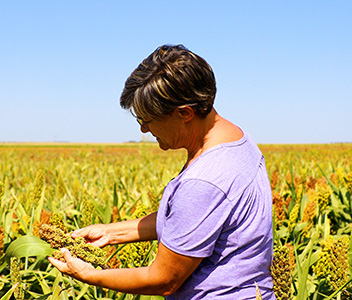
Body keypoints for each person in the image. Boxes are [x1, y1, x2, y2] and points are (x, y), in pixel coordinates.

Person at [49, 44, 275, 299]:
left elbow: (164, 280)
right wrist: (112, 233)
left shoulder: (203, 181)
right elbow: (193, 221)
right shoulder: (236, 139)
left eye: (148, 119)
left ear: (184, 113)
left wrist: (89, 274)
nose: (144, 130)